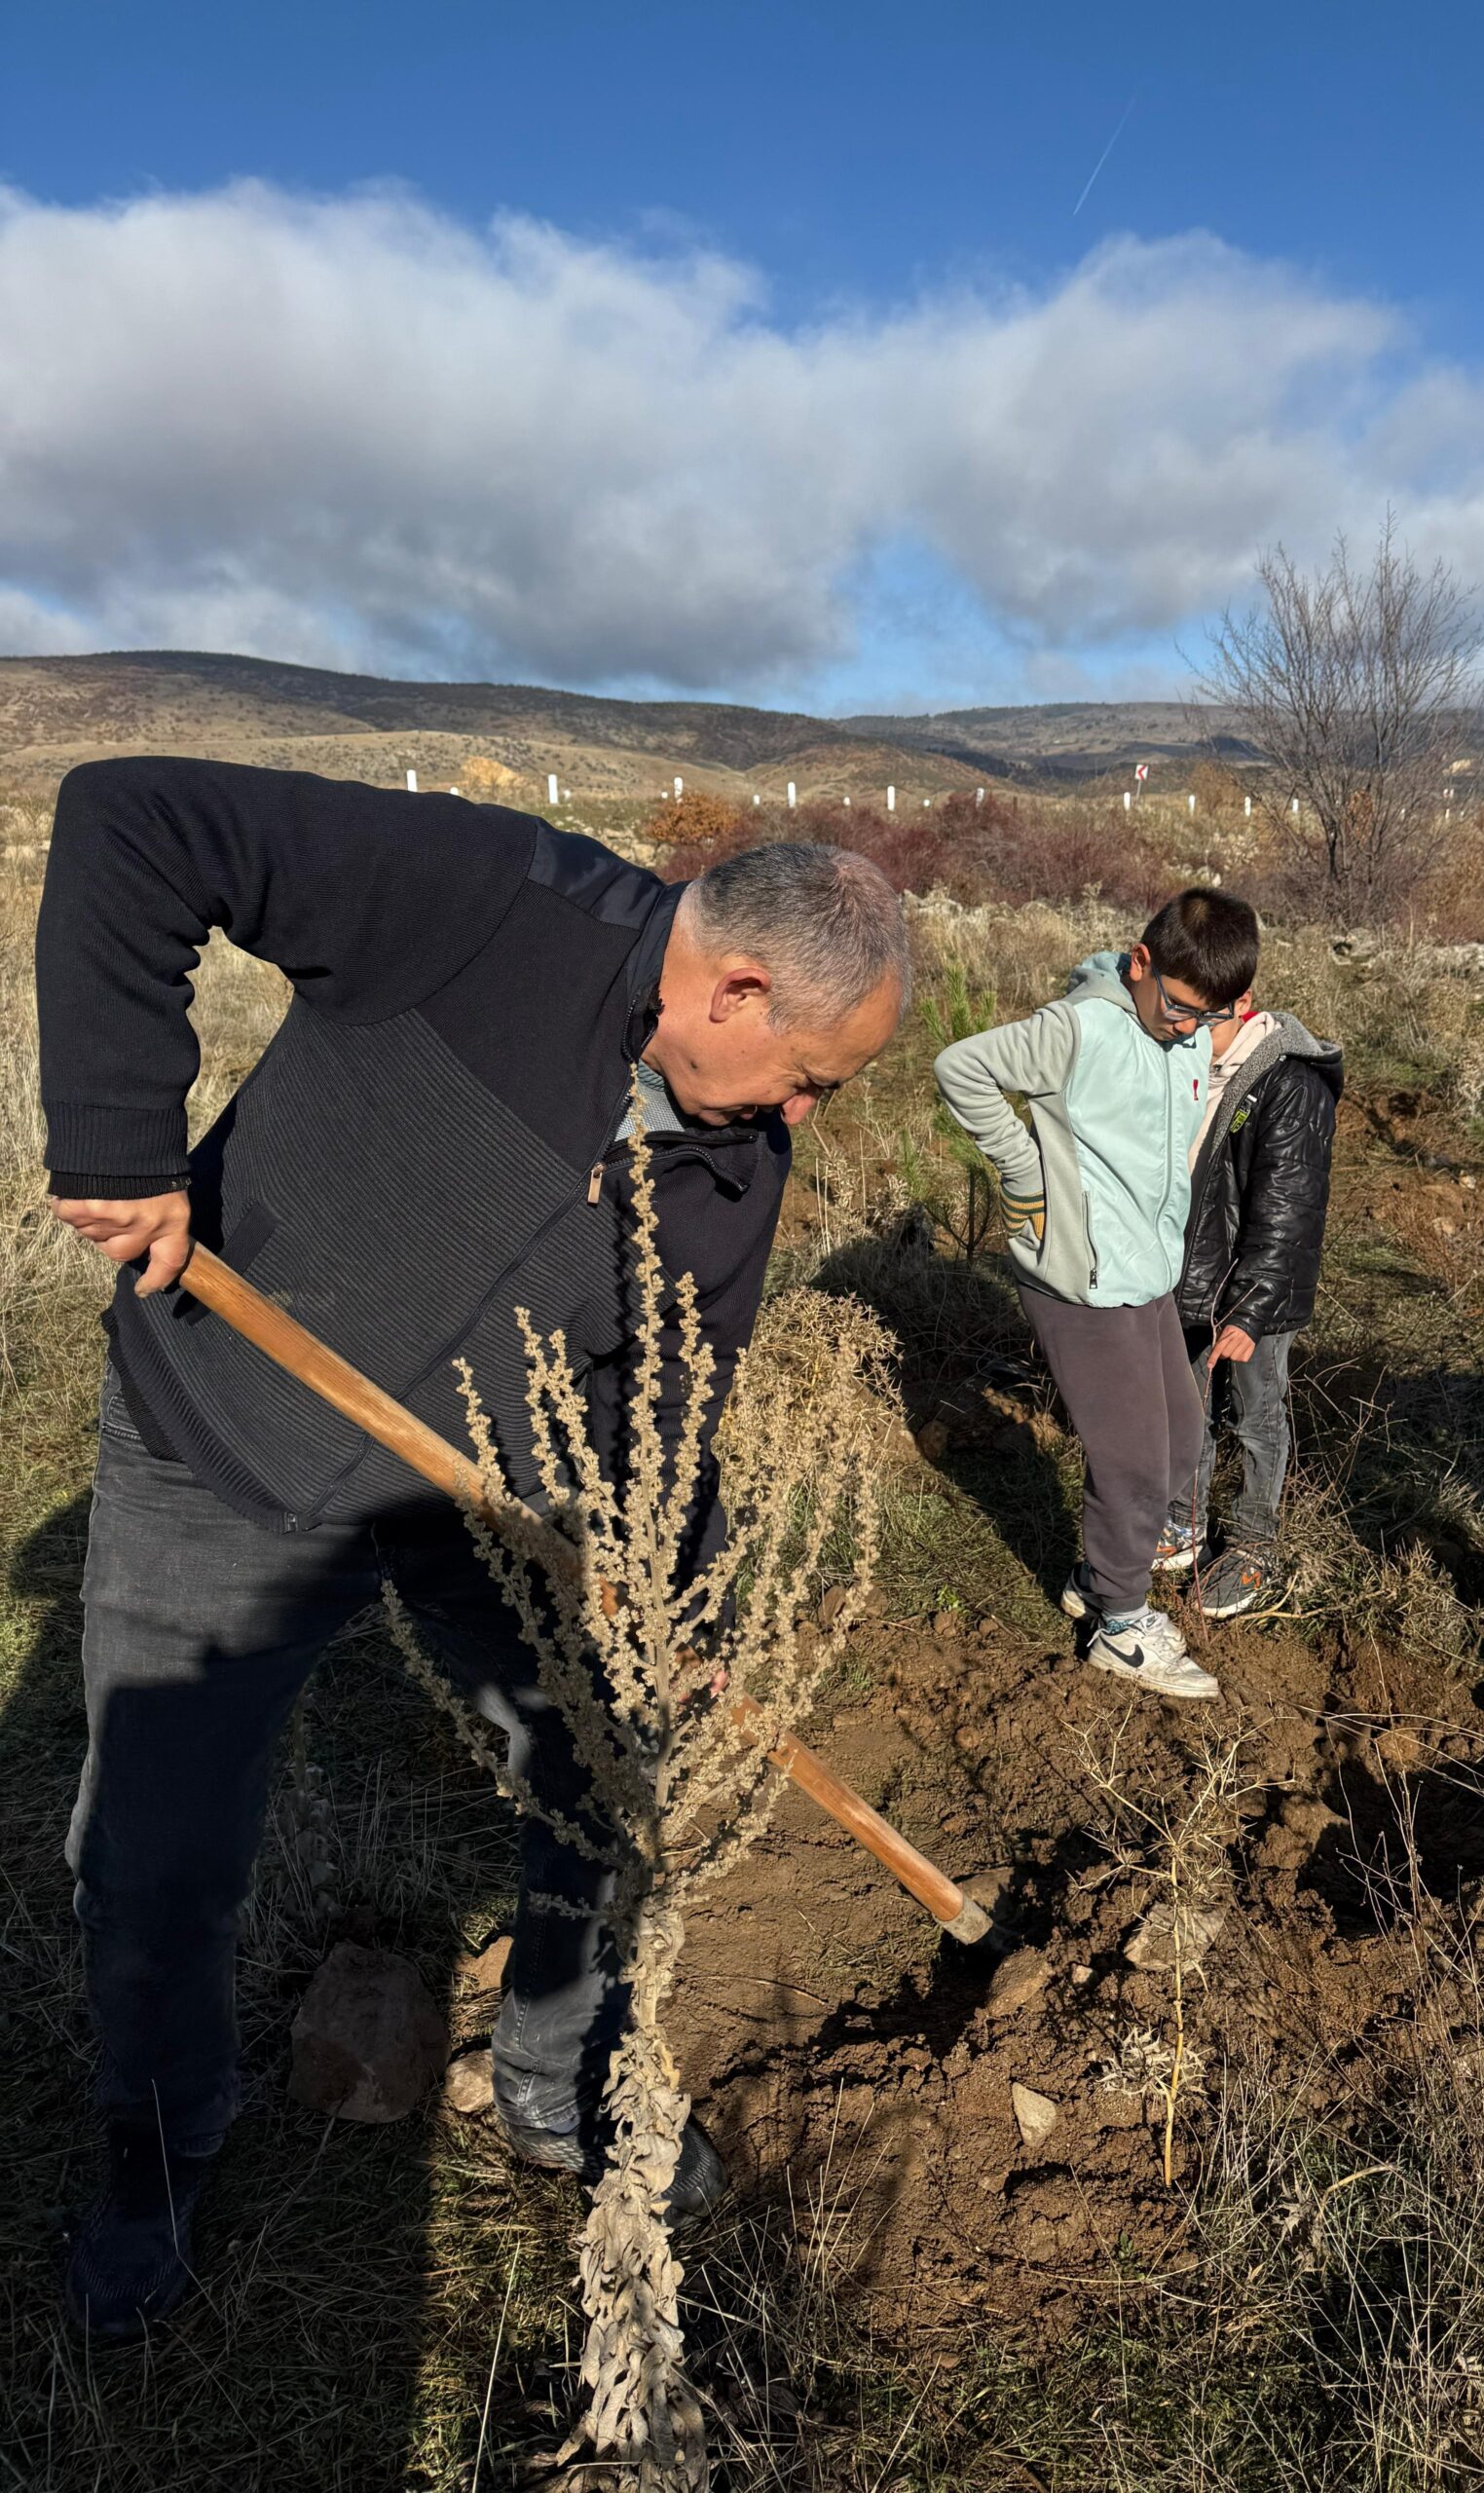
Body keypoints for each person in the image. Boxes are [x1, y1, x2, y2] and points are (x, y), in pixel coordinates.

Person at [37, 758, 908, 2343]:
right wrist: (114, 1130)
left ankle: (554, 2086)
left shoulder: (732, 1169)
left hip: (469, 1497)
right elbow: (132, 819)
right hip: (221, 1437)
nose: (800, 1121)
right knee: (159, 1863)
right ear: (734, 983)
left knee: (604, 1755)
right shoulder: (490, 906)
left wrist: (665, 1578)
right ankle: (150, 2174)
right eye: (808, 1079)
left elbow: (660, 1394)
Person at [933, 888, 1260, 1702]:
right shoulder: (1080, 1028)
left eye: (1206, 1017)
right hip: (1079, 1275)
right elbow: (960, 1067)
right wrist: (1021, 1168)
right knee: (1134, 1462)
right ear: (1141, 964)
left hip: (1144, 1270)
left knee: (1182, 1443)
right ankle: (1119, 1623)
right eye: (1180, 1009)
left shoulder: (1183, 1031)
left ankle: (1096, 1572)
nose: (1190, 1029)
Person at [1158, 900, 1341, 1618]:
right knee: (1188, 1407)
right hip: (1189, 1282)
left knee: (1257, 1412)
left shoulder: (1286, 1084)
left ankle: (1255, 1543)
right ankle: (1184, 1520)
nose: (1186, 1034)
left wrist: (1252, 1309)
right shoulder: (1187, 1064)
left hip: (1253, 1297)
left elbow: (1288, 1212)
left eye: (1205, 1019)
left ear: (1243, 1002)